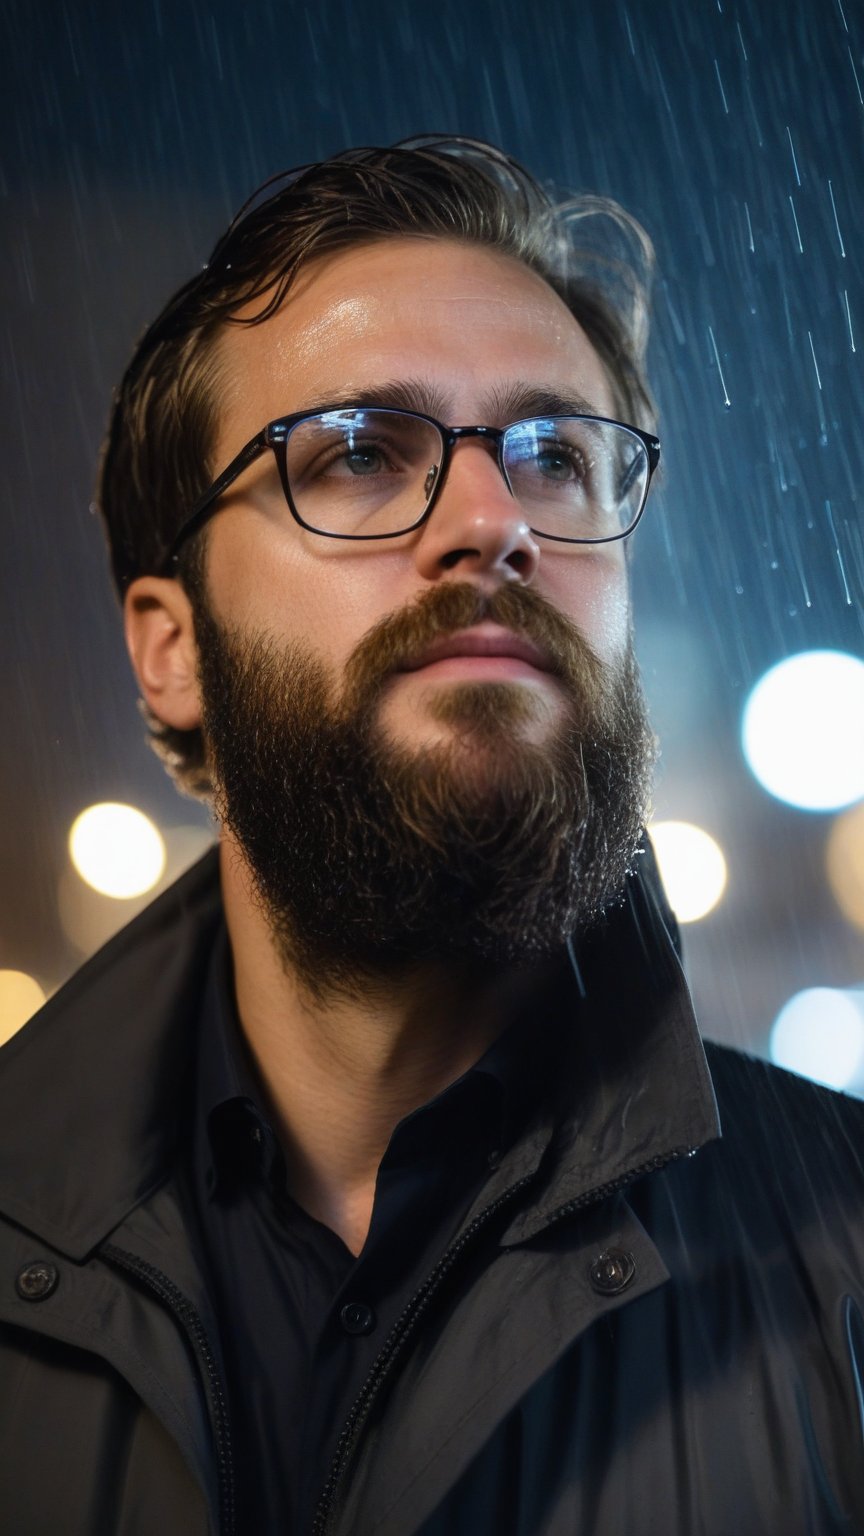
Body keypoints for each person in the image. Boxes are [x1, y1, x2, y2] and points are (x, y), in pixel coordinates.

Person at [0, 136, 861, 1536]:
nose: (492, 521)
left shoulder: (842, 1254)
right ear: (172, 651)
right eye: (353, 455)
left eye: (558, 458)